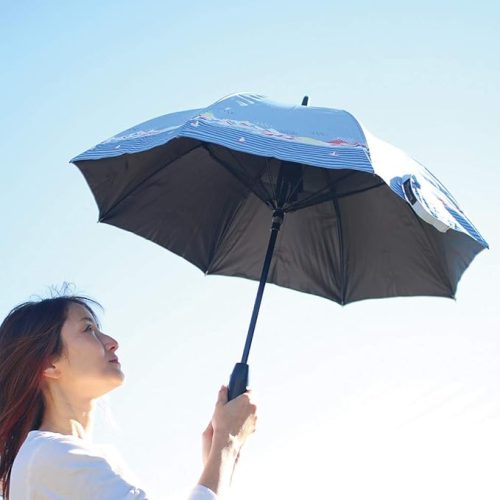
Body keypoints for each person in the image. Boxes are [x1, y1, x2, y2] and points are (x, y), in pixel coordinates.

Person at [0, 295, 257, 499]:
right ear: (49, 364)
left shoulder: (57, 457)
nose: (112, 341)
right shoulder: (49, 455)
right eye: (88, 329)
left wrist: (221, 460)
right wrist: (226, 443)